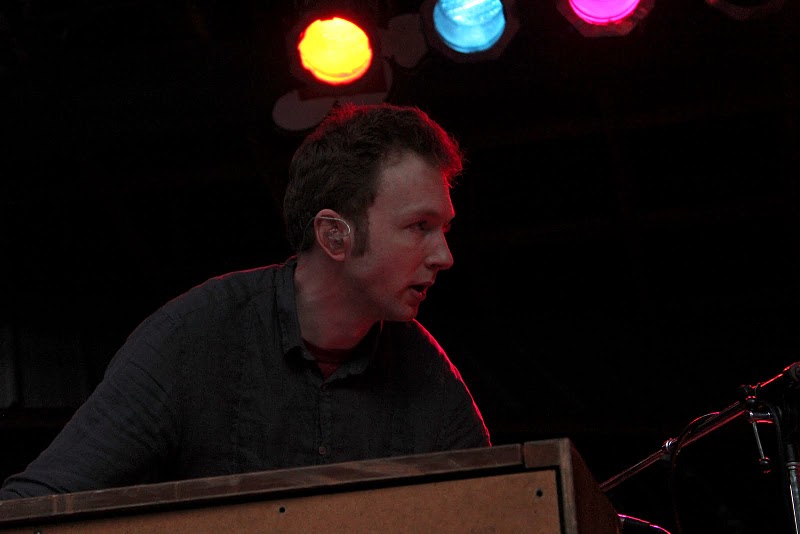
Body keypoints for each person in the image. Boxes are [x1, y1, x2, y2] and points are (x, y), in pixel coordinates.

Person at [0, 102, 491, 500]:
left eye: (444, 229)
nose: (444, 256)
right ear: (334, 236)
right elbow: (38, 503)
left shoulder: (428, 373)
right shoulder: (194, 336)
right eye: (420, 227)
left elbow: (494, 510)